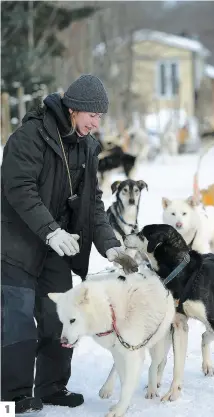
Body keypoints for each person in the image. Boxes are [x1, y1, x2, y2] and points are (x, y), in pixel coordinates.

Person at [1, 74, 138, 414]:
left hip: (58, 247)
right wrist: (49, 230)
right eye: (93, 115)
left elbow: (92, 204)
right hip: (16, 242)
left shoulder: (88, 146)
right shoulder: (30, 136)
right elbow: (19, 188)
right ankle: (11, 397)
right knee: (17, 319)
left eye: (101, 117)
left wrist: (111, 246)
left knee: (60, 316)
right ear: (74, 109)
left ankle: (51, 387)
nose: (97, 122)